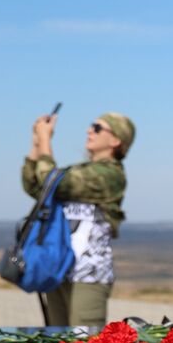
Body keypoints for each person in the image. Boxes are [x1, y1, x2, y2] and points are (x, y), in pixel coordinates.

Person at [21, 111, 133, 329]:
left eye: (97, 127)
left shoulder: (110, 175)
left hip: (88, 274)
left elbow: (50, 182)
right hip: (58, 268)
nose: (89, 130)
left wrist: (46, 140)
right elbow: (35, 186)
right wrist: (36, 144)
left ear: (116, 140)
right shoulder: (79, 171)